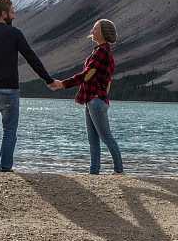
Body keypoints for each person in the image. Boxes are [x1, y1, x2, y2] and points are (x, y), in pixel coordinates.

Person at [0, 0, 62, 172]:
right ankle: (5, 167)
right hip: (9, 90)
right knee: (9, 131)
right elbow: (32, 58)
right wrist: (49, 80)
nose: (14, 16)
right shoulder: (15, 33)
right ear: (4, 14)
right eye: (12, 13)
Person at [50, 19, 123, 174]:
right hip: (93, 99)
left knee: (105, 137)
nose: (92, 31)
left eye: (95, 29)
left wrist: (62, 84)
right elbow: (107, 82)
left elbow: (86, 74)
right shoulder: (102, 51)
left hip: (96, 100)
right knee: (93, 140)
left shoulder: (102, 51)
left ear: (103, 32)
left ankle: (118, 170)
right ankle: (94, 172)